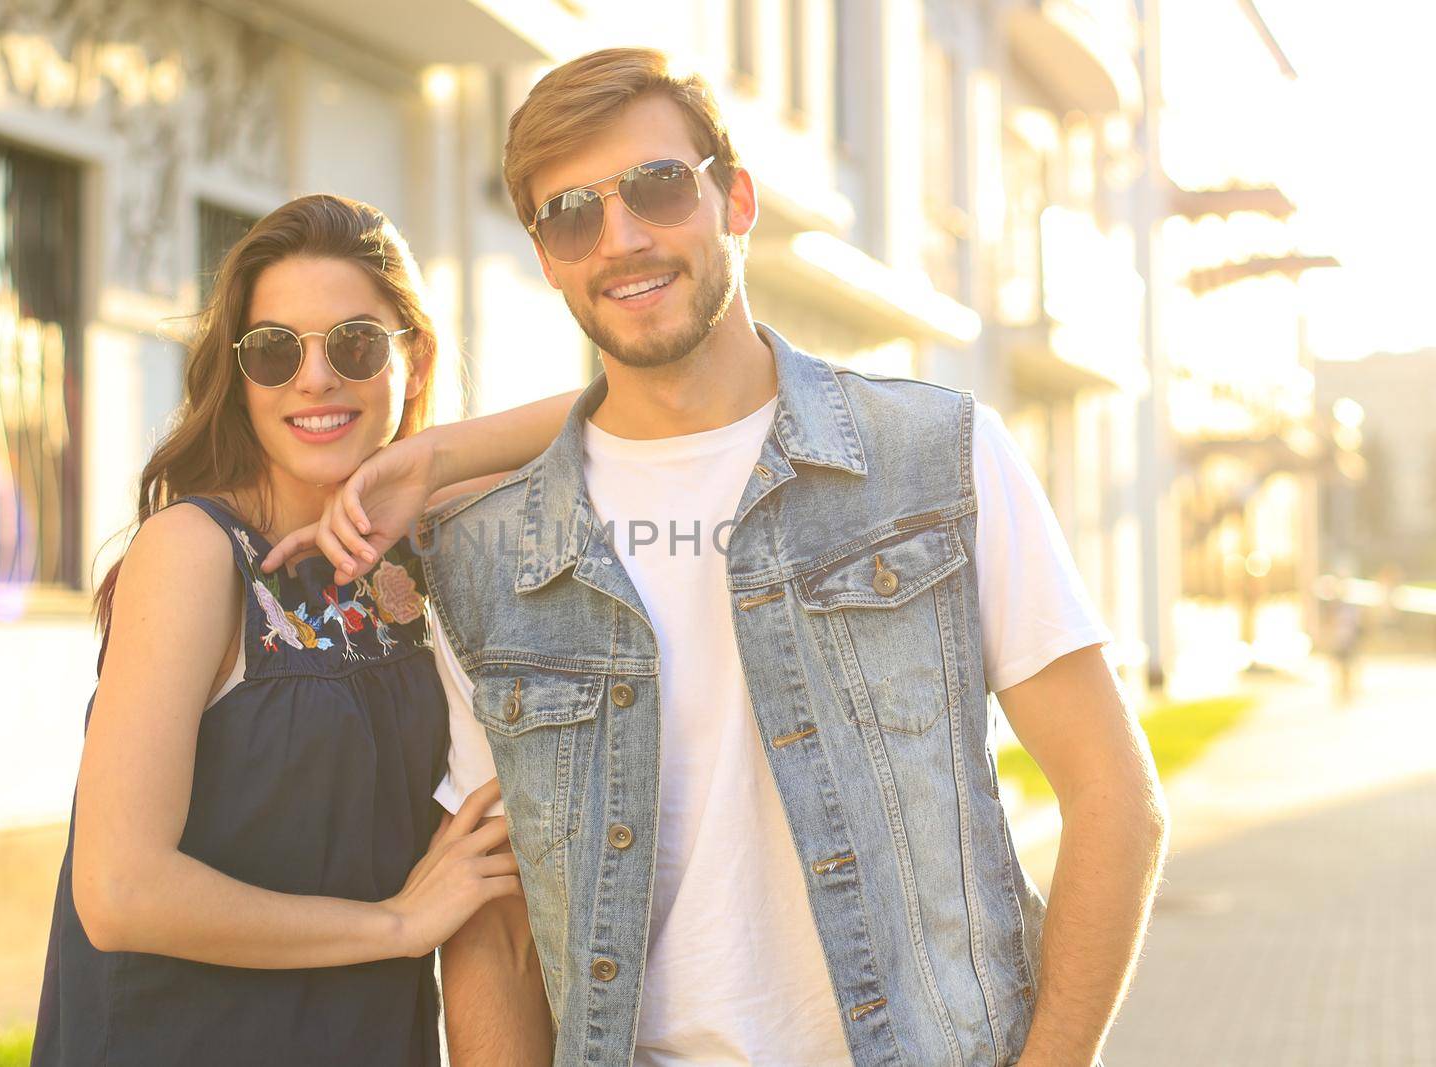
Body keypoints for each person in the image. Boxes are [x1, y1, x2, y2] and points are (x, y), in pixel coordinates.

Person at [283, 49, 1170, 1067]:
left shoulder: (937, 460)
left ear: (734, 196)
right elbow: (500, 915)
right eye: (571, 213)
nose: (619, 239)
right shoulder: (486, 554)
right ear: (544, 257)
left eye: (656, 188)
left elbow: (1113, 797)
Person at [31, 194, 534, 1066]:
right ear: (241, 374)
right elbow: (119, 889)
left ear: (411, 360)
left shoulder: (428, 549)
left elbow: (644, 412)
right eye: (274, 351)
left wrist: (440, 455)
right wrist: (397, 922)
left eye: (355, 343)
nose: (314, 379)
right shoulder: (194, 551)